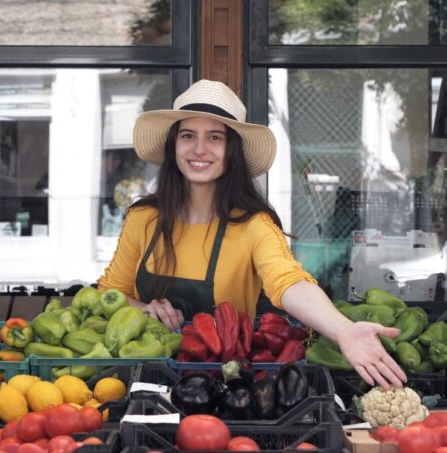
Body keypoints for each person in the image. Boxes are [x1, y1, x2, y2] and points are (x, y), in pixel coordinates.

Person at [97, 79, 406, 389]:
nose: (199, 149)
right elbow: (110, 292)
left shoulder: (253, 225)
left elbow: (289, 282)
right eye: (188, 136)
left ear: (232, 151)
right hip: (146, 385)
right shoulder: (144, 219)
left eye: (214, 137)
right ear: (173, 145)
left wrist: (343, 330)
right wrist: (142, 308)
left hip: (227, 388)